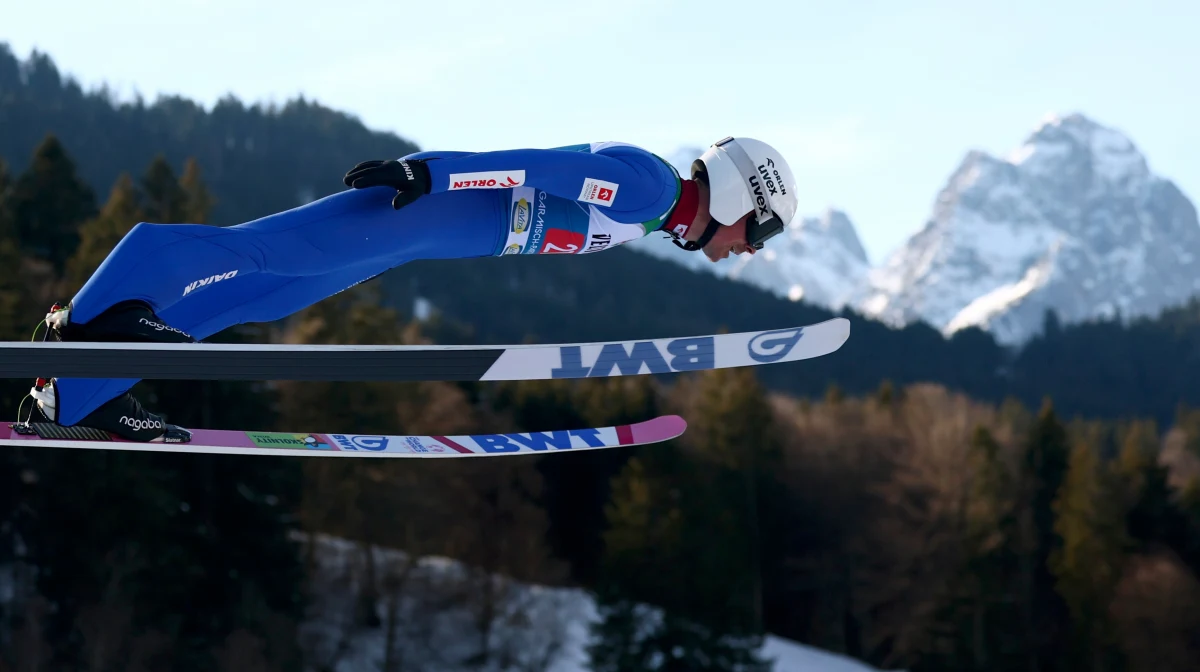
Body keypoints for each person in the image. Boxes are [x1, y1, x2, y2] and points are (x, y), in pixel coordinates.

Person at [26, 137, 799, 442]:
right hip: (412, 210)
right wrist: (430, 174)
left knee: (261, 297)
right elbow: (544, 167)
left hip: (413, 237)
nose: (746, 251)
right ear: (740, 196)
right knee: (260, 256)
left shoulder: (655, 210)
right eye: (756, 233)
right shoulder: (651, 187)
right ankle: (81, 329)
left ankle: (81, 394)